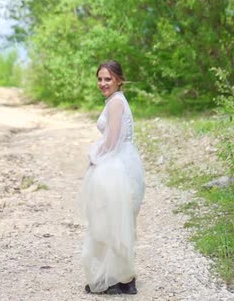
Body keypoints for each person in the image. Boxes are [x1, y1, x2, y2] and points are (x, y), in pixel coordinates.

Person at [79, 60, 145, 295]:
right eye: (100, 79)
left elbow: (113, 139)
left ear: (118, 79)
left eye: (108, 79)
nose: (103, 83)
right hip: (123, 161)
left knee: (113, 222)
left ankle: (123, 278)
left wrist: (95, 156)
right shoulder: (116, 101)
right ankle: (119, 277)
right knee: (115, 222)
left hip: (117, 166)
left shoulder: (116, 103)